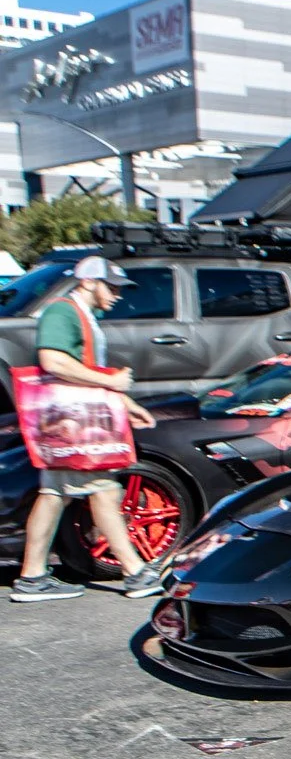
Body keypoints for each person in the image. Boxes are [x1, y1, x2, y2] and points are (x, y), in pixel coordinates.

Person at [11, 257, 162, 603]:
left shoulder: (78, 314)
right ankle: (135, 573)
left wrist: (125, 402)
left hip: (67, 422)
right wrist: (113, 381)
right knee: (104, 491)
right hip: (73, 424)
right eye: (112, 287)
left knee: (55, 494)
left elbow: (78, 368)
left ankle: (32, 577)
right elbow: (54, 362)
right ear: (89, 282)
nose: (117, 295)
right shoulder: (63, 313)